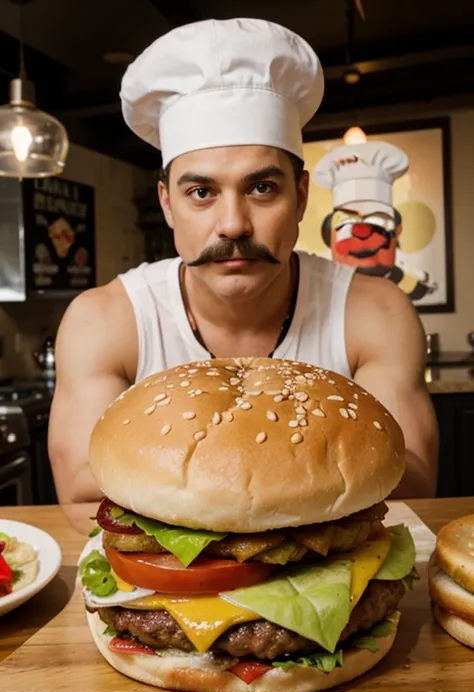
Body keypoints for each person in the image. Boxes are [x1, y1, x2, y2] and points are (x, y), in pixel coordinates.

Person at [48, 18, 438, 505]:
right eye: (201, 192)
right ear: (168, 204)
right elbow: (83, 495)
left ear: (299, 198)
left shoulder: (374, 312)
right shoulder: (104, 320)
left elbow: (415, 483)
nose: (233, 224)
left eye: (261, 188)